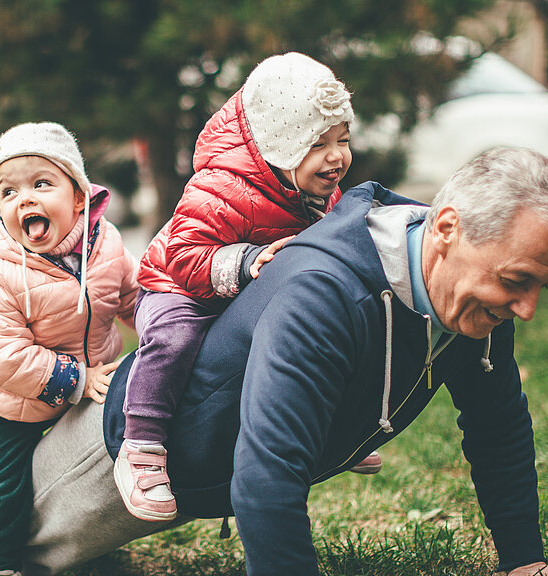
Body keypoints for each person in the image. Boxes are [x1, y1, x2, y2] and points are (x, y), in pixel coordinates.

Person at [0, 147, 548, 576]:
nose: (525, 308)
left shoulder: (466, 288)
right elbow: (267, 479)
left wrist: (526, 561)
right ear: (445, 229)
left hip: (178, 452)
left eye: (537, 285)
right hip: (127, 454)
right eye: (516, 282)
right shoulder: (329, 290)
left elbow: (498, 422)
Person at [117, 51, 380, 522]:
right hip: (180, 286)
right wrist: (245, 262)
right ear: (279, 145)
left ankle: (331, 428)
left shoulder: (314, 191)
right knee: (173, 340)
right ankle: (141, 445)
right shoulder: (219, 187)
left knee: (315, 332)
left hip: (247, 288)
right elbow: (182, 256)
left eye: (343, 139)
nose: (337, 156)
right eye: (319, 144)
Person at [0, 122, 140, 576]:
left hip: (88, 377)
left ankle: (82, 545)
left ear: (79, 196)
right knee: (1, 488)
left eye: (42, 184)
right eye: (8, 191)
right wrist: (77, 380)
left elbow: (132, 297)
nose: (25, 198)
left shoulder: (106, 245)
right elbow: (1, 353)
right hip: (10, 400)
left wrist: (165, 326)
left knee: (85, 470)